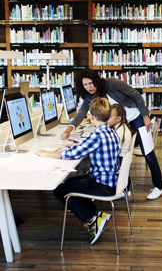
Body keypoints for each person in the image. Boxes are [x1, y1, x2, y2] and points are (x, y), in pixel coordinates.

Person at [60, 69, 162, 200]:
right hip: (119, 123)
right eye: (85, 85)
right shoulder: (89, 96)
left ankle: (159, 186)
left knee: (148, 152)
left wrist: (145, 116)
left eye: (91, 83)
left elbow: (135, 94)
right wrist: (69, 129)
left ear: (96, 81)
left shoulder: (112, 83)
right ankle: (123, 188)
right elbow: (81, 112)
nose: (89, 87)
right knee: (117, 153)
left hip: (135, 116)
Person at [36, 98, 120, 245]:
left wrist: (45, 153)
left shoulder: (97, 135)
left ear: (92, 117)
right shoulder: (110, 131)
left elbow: (71, 155)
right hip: (110, 181)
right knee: (69, 183)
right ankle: (96, 216)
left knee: (59, 191)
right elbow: (88, 147)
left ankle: (91, 219)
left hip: (102, 185)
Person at [107, 104, 133, 200]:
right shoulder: (120, 127)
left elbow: (112, 151)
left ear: (118, 119)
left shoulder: (119, 132)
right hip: (122, 159)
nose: (107, 119)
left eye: (109, 117)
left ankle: (121, 189)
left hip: (119, 160)